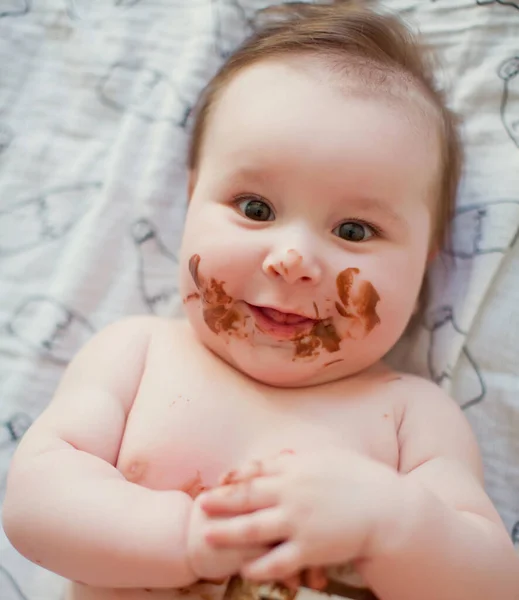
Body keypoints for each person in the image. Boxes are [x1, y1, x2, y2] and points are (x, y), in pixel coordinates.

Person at [3, 2, 519, 600]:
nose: (293, 259)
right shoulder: (136, 354)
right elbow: (36, 500)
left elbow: (493, 586)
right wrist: (187, 539)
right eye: (256, 209)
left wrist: (395, 524)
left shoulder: (412, 416)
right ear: (193, 199)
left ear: (429, 255)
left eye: (353, 230)